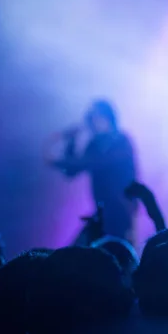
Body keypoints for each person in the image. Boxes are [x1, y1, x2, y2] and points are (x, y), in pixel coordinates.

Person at [49, 100, 137, 242]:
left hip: (121, 211)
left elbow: (95, 161)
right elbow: (71, 171)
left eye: (95, 117)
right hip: (102, 212)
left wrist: (56, 161)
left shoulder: (122, 141)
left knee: (116, 254)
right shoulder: (94, 144)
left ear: (107, 118)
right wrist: (71, 142)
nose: (92, 122)